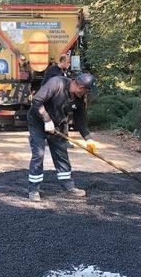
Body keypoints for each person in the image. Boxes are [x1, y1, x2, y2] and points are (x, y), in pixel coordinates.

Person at [27, 73, 97, 201]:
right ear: (81, 86)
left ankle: (69, 187)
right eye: (87, 89)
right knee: (39, 154)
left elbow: (80, 120)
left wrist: (89, 139)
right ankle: (34, 190)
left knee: (61, 154)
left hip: (58, 124)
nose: (87, 92)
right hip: (37, 122)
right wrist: (47, 120)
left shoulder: (79, 98)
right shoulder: (56, 83)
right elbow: (36, 101)